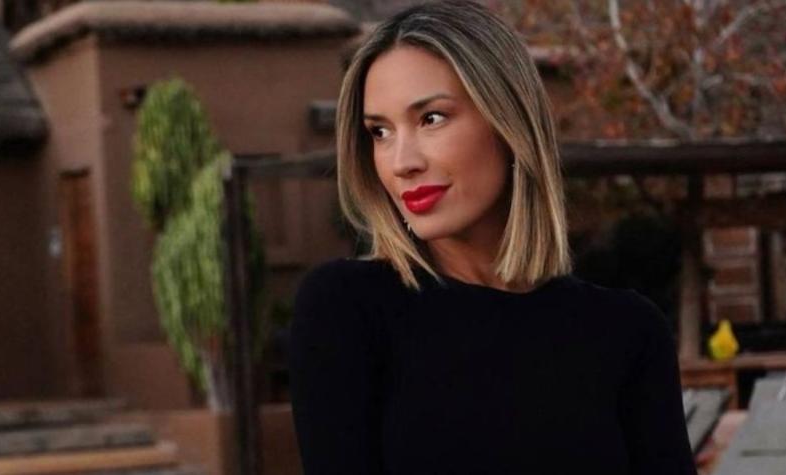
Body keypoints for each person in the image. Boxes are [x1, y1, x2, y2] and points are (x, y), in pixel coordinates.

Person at [289, 1, 697, 474]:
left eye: (431, 119)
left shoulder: (628, 332)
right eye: (380, 131)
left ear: (508, 123)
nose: (401, 162)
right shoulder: (347, 309)